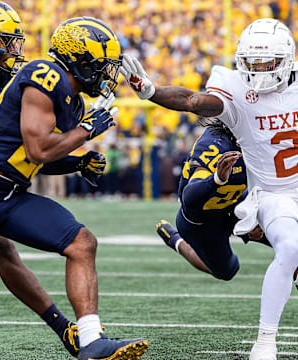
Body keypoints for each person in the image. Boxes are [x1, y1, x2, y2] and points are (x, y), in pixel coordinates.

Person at [0, 15, 149, 360]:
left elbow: (33, 157)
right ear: (80, 60)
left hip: (9, 193)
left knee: (82, 243)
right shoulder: (44, 75)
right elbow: (37, 148)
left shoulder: (73, 99)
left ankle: (92, 342)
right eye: (100, 66)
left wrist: (78, 161)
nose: (104, 75)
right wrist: (85, 132)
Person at [120, 17, 298, 360]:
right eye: (251, 63)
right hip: (270, 197)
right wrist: (151, 91)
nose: (258, 70)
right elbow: (194, 101)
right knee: (280, 251)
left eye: (266, 63)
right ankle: (265, 341)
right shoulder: (234, 98)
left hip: (246, 201)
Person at [155, 119, 270, 280]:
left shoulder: (263, 142)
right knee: (227, 271)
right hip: (201, 222)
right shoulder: (214, 145)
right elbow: (189, 197)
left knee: (288, 236)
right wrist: (217, 179)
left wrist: (254, 213)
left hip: (236, 203)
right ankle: (176, 240)